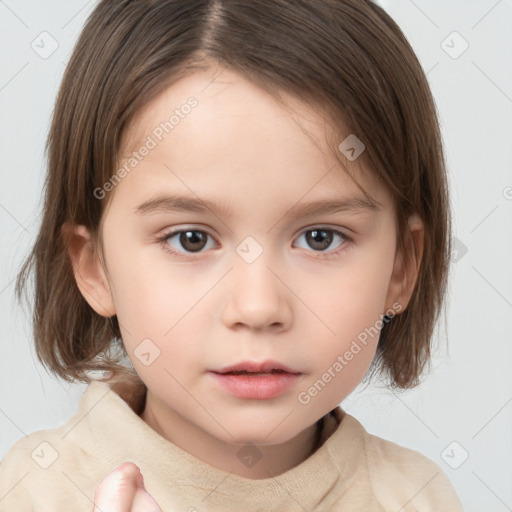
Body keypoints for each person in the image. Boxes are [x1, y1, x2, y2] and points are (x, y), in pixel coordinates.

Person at [0, 0, 464, 510]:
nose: (258, 307)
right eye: (191, 239)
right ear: (95, 267)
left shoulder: (417, 496)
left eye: (320, 238)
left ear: (401, 266)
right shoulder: (29, 493)